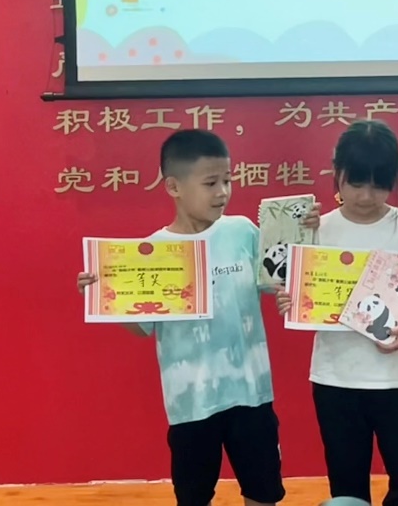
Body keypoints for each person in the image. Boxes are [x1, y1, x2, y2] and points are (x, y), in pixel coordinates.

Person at [76, 130, 318, 506]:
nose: (222, 192)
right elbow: (141, 328)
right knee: (193, 497)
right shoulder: (154, 252)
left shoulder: (243, 232)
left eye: (227, 180)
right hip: (190, 402)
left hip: (252, 395)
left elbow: (283, 282)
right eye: (210, 183)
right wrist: (105, 299)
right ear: (174, 186)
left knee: (263, 493)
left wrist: (303, 234)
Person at [276, 120, 398, 506]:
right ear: (337, 173)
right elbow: (292, 288)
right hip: (336, 379)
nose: (366, 196)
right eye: (356, 183)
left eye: (379, 184)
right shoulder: (317, 230)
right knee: (346, 483)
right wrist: (291, 300)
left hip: (397, 380)